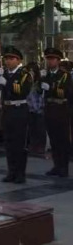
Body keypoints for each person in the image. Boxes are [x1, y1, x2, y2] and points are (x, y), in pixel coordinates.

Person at [0, 46, 33, 184]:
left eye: (11, 58)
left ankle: (20, 173)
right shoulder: (4, 73)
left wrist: (7, 83)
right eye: (6, 58)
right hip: (7, 110)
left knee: (19, 143)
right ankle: (11, 171)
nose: (8, 61)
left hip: (19, 110)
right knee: (9, 143)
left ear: (18, 60)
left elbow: (22, 91)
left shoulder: (24, 74)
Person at [41, 47, 72, 177]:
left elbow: (65, 92)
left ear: (58, 61)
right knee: (53, 139)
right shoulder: (46, 75)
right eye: (48, 59)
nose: (50, 61)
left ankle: (63, 167)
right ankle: (57, 165)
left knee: (62, 140)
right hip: (49, 109)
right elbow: (38, 90)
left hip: (61, 110)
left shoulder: (64, 75)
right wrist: (40, 81)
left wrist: (51, 88)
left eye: (52, 59)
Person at [26, 62, 46, 155]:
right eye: (29, 70)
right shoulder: (26, 80)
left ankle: (40, 146)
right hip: (29, 107)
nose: (31, 72)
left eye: (32, 70)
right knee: (31, 128)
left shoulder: (40, 81)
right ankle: (32, 145)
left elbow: (41, 92)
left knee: (40, 128)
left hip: (39, 107)